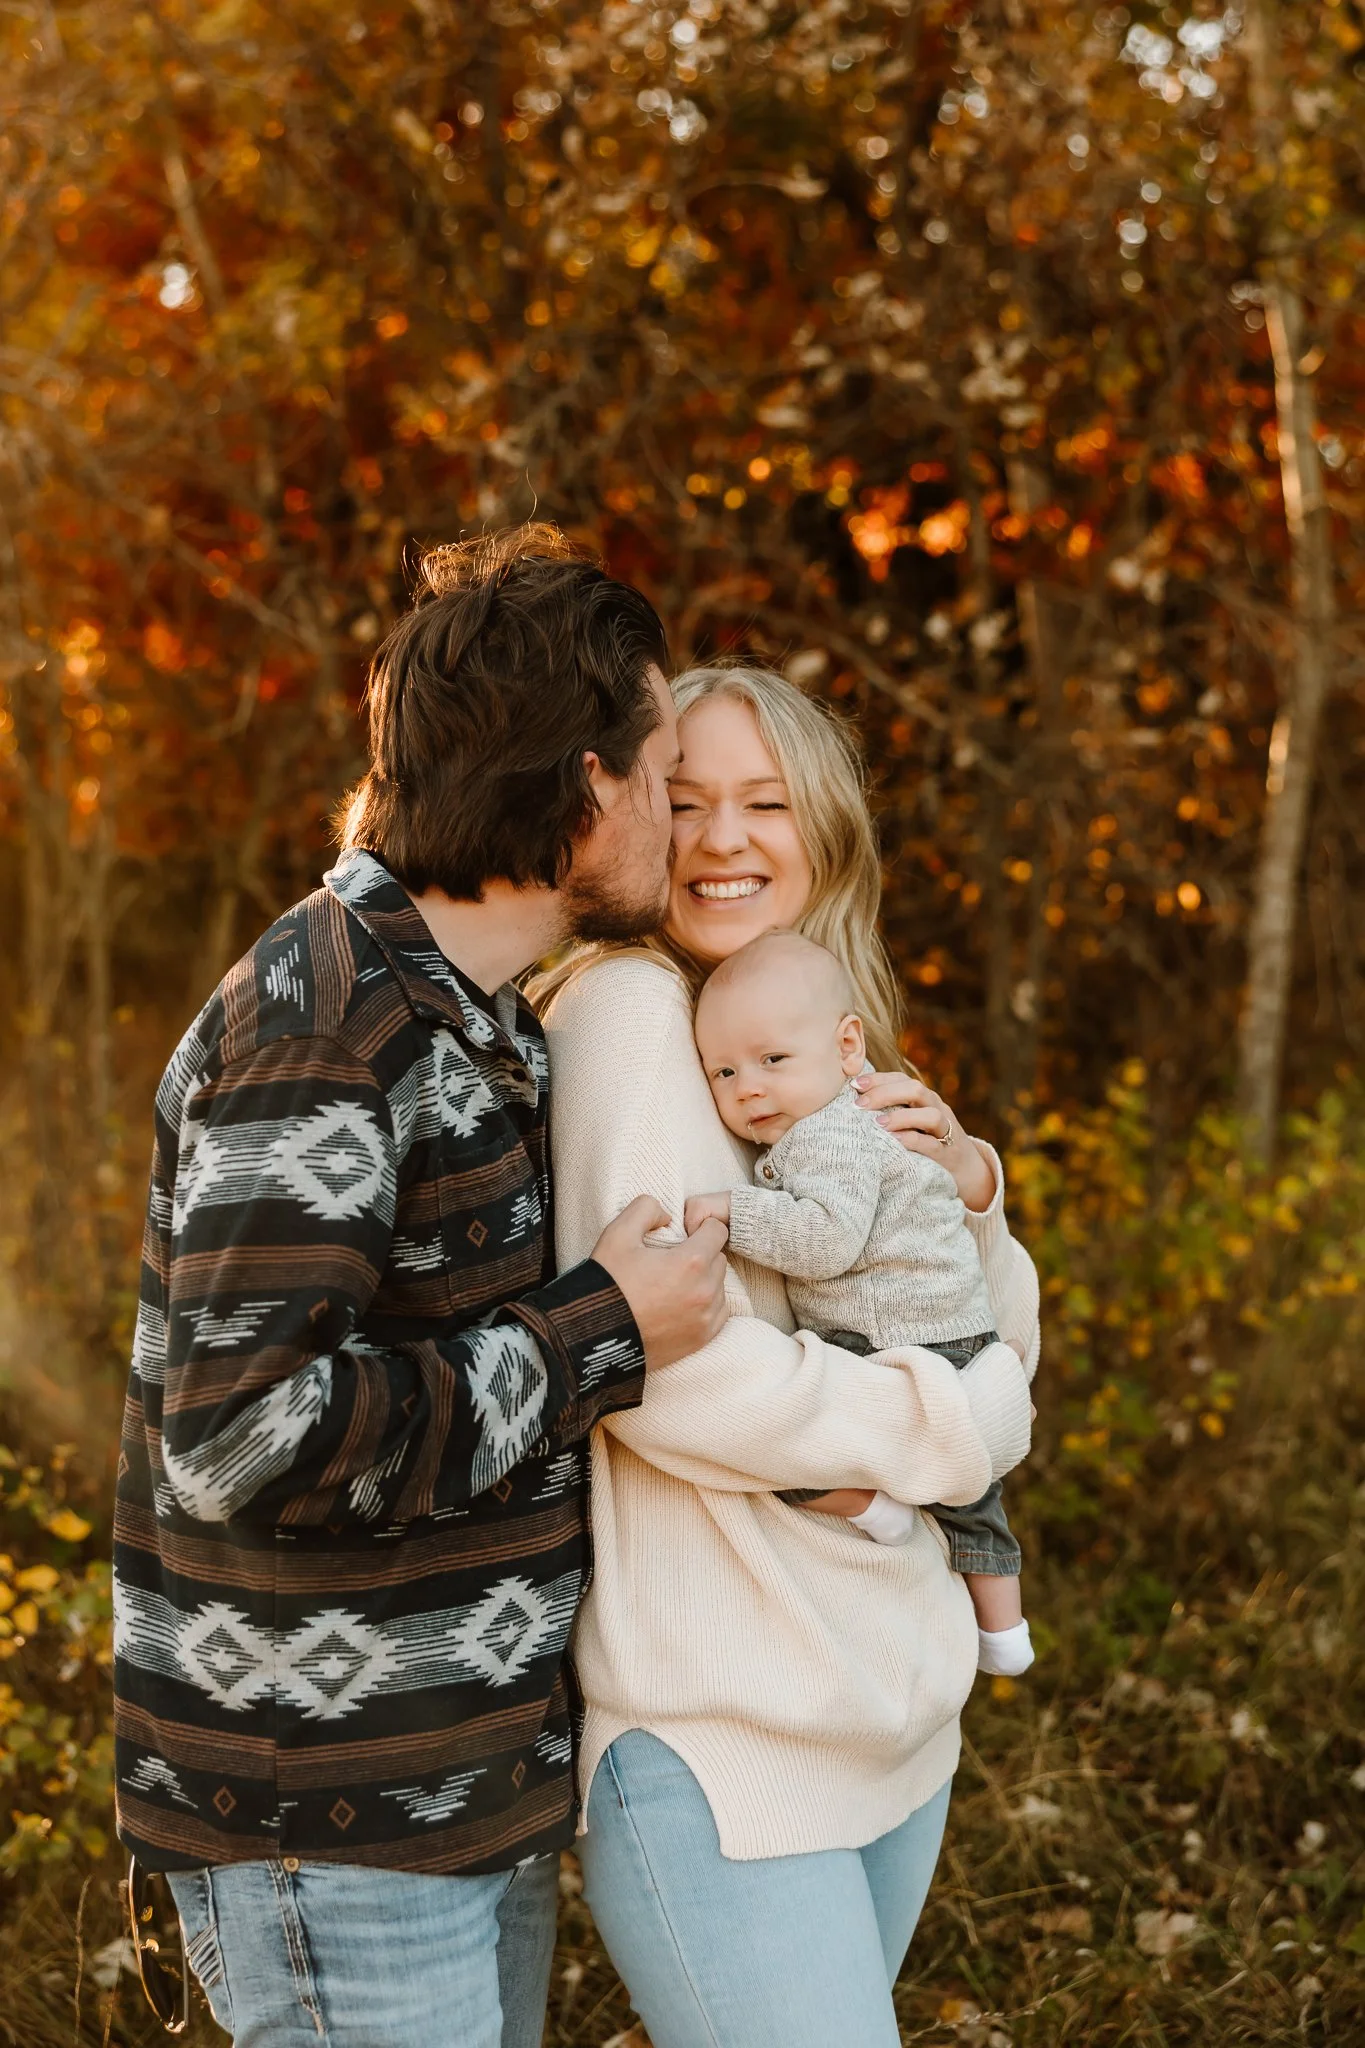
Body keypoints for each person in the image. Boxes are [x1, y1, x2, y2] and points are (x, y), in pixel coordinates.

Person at [111, 525, 730, 2048]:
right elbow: (243, 1436)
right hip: (328, 1828)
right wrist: (601, 1331)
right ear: (586, 793)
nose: (681, 817)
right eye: (658, 773)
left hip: (450, 1802)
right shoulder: (329, 1030)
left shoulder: (472, 1018)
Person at [539, 662, 1040, 2048]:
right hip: (727, 1735)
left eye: (763, 801)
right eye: (683, 799)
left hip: (893, 1699)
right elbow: (666, 1377)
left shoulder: (814, 1042)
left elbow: (993, 1336)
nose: (719, 839)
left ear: (821, 828)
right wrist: (945, 1427)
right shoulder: (633, 1017)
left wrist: (976, 1193)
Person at [684, 927, 1035, 1680]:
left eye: (772, 1060)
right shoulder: (863, 1114)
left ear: (848, 1048)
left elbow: (826, 1243)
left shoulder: (827, 1137)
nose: (748, 1087)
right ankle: (1005, 1635)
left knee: (780, 1442)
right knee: (974, 1496)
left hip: (891, 1334)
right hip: (956, 1328)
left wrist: (731, 1212)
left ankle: (872, 1506)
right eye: (722, 1070)